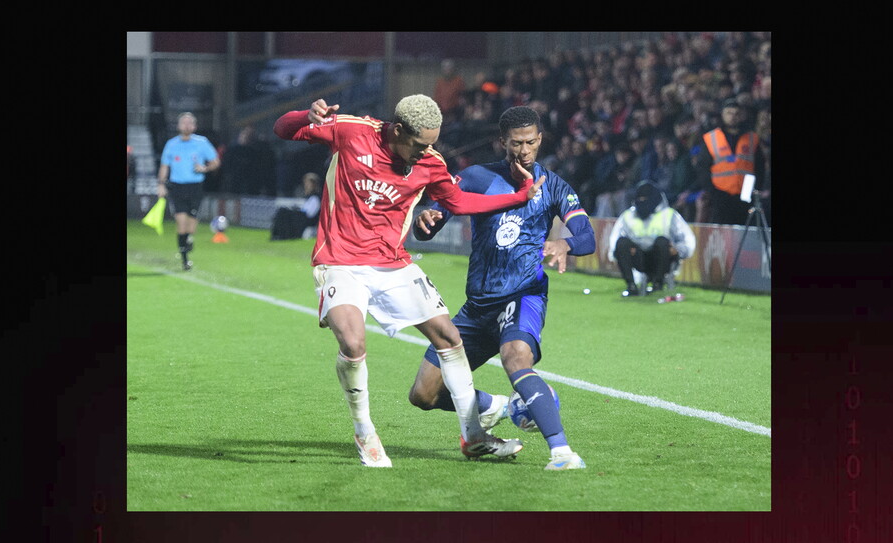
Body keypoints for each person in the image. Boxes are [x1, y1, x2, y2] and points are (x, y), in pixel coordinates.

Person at [272, 95, 544, 468]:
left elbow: (460, 202)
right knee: (353, 342)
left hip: (392, 264)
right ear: (397, 130)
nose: (427, 152)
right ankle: (364, 430)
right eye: (419, 144)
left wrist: (517, 198)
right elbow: (283, 129)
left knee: (449, 338)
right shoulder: (353, 132)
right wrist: (306, 114)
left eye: (432, 143)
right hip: (340, 261)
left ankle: (474, 436)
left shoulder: (430, 162)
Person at [409, 106, 594, 470]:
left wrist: (565, 245)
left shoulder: (554, 186)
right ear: (502, 143)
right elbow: (433, 220)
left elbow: (587, 236)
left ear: (539, 140)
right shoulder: (477, 178)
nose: (523, 151)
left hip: (523, 294)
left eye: (530, 143)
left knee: (515, 358)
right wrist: (425, 221)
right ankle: (497, 406)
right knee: (424, 394)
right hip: (478, 306)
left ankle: (562, 452)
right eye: (515, 144)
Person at [608, 181, 696, 296]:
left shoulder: (669, 215)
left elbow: (687, 240)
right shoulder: (628, 216)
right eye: (640, 199)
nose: (642, 202)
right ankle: (631, 285)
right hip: (638, 257)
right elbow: (615, 240)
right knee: (622, 243)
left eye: (645, 199)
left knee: (662, 242)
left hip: (662, 258)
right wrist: (623, 250)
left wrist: (678, 250)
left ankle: (658, 284)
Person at [157, 112, 221, 271]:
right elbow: (165, 166)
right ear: (178, 126)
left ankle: (188, 239)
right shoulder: (171, 144)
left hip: (195, 187)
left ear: (194, 126)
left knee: (191, 226)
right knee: (181, 222)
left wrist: (204, 168)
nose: (186, 125)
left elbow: (215, 162)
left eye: (189, 123)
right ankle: (185, 259)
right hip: (177, 187)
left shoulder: (202, 143)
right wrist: (161, 184)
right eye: (183, 122)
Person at [695, 98, 766, 225]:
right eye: (729, 113)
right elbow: (703, 169)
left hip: (744, 197)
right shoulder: (711, 138)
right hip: (719, 198)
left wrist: (751, 191)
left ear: (742, 116)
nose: (733, 117)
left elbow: (759, 168)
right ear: (722, 114)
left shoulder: (752, 138)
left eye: (736, 114)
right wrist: (713, 193)